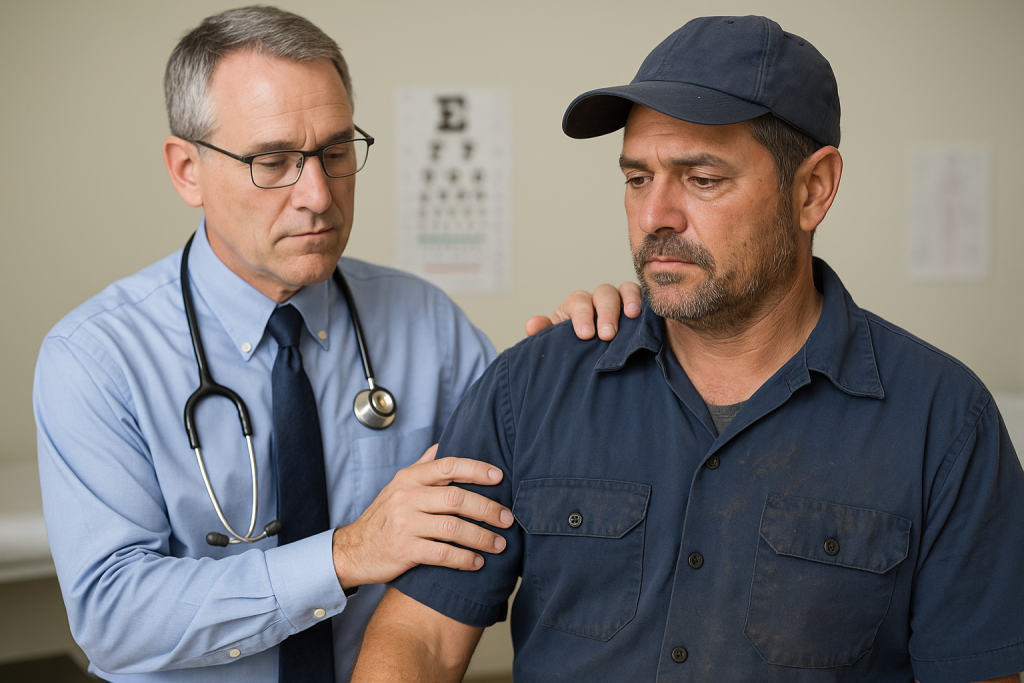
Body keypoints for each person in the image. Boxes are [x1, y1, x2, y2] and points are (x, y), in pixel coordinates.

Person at [351, 15, 1024, 683]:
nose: (655, 216)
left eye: (702, 179)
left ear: (812, 190)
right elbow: (421, 634)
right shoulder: (530, 386)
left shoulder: (945, 421)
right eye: (638, 177)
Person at [32, 6, 637, 682]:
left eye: (336, 152)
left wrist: (583, 359)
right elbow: (114, 619)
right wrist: (346, 553)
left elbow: (527, 477)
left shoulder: (425, 323)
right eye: (274, 161)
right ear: (186, 170)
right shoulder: (95, 357)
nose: (318, 195)